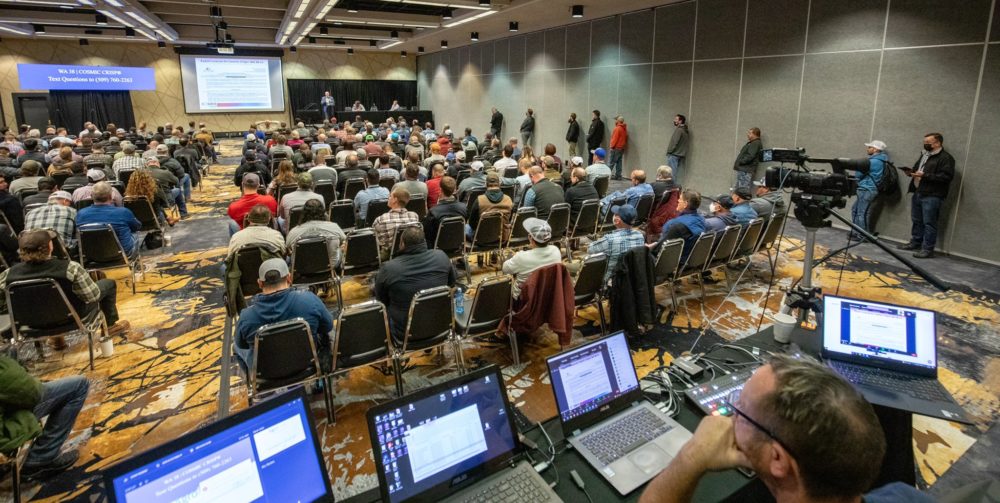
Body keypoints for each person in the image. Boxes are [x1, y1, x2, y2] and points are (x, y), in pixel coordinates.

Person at [639, 354, 933, 503]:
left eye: (739, 410)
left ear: (778, 459)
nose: (730, 415)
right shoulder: (904, 494)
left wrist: (691, 457)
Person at [235, 258, 334, 371]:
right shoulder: (310, 300)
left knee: (236, 347)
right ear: (289, 278)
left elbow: (242, 345)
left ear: (260, 283)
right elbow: (328, 325)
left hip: (268, 372)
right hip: (307, 365)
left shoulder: (246, 317)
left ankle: (253, 383)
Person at [374, 226, 456, 338]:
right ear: (425, 242)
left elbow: (381, 301)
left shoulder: (388, 268)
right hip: (442, 326)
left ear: (402, 244)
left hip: (404, 333)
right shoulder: (441, 256)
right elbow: (452, 285)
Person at [77, 182, 142, 259]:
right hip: (123, 255)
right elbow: (137, 227)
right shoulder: (123, 212)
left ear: (91, 196)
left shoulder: (80, 214)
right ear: (111, 196)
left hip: (91, 255)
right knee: (136, 233)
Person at [502, 218, 563, 298]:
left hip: (523, 302)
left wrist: (511, 257)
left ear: (530, 237)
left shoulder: (521, 257)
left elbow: (505, 269)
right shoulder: (556, 251)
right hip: (548, 298)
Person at [588, 205, 646, 281]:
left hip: (611, 283)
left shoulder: (610, 240)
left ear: (617, 220)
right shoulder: (640, 236)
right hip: (632, 280)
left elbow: (590, 250)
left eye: (615, 214)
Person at [286, 198, 346, 267]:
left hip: (303, 268)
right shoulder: (334, 227)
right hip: (330, 266)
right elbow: (345, 240)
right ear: (324, 213)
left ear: (303, 213)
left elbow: (287, 247)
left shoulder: (294, 232)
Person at [849, 140, 888, 238]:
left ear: (875, 149)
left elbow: (859, 174)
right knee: (856, 210)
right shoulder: (882, 161)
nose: (868, 149)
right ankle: (856, 231)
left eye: (869, 147)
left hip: (867, 189)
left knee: (862, 212)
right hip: (869, 189)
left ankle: (863, 235)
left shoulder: (872, 161)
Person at [372, 188, 420, 256]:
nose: (388, 198)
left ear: (395, 199)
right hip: (412, 253)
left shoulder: (380, 220)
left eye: (390, 196)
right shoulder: (414, 216)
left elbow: (376, 241)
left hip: (391, 256)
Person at [424, 175, 467, 244]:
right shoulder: (464, 207)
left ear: (440, 190)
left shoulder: (433, 211)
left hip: (437, 246)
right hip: (458, 245)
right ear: (454, 190)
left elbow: (427, 234)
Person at [467, 172, 513, 237]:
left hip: (481, 239)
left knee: (466, 227)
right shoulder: (508, 199)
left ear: (485, 184)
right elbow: (509, 220)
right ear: (499, 184)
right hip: (502, 238)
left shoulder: (479, 200)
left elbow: (472, 223)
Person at [734, 127, 762, 192]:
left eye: (750, 133)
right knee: (740, 189)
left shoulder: (755, 143)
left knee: (743, 189)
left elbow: (750, 155)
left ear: (755, 134)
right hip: (744, 169)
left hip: (746, 170)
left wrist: (741, 161)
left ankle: (742, 202)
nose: (748, 134)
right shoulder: (753, 143)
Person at [665, 114, 690, 183]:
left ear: (680, 121)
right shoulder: (685, 131)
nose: (674, 120)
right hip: (680, 154)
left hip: (674, 154)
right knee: (674, 172)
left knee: (671, 173)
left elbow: (674, 142)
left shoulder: (679, 130)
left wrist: (669, 151)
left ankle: (671, 189)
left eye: (676, 119)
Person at [608, 115, 628, 180]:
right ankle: (618, 176)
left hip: (616, 148)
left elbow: (614, 139)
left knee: (611, 162)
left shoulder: (617, 128)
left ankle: (607, 175)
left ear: (618, 121)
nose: (615, 121)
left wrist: (611, 146)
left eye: (616, 120)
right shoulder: (624, 129)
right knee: (619, 162)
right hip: (621, 148)